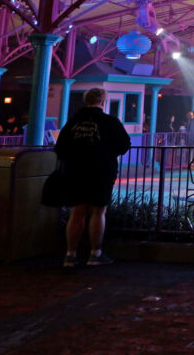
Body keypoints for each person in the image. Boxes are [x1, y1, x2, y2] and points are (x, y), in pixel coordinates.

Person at [55, 88, 132, 267]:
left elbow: (60, 147)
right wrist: (107, 153)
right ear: (103, 102)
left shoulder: (73, 122)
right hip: (102, 170)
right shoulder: (109, 121)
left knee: (77, 212)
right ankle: (95, 253)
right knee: (98, 211)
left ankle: (70, 255)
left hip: (76, 170)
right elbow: (124, 144)